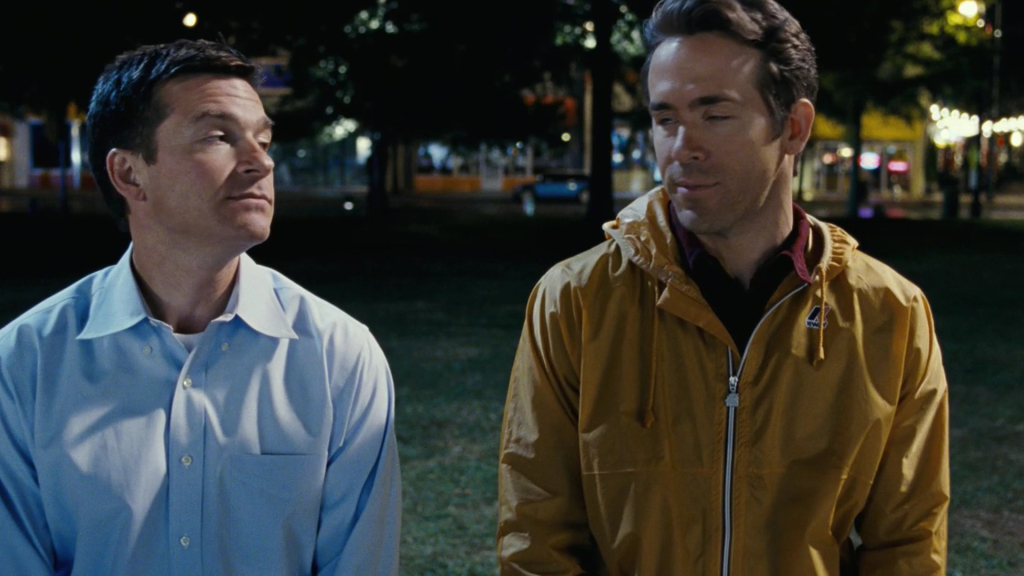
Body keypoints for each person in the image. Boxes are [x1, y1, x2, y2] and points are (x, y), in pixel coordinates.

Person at [496, 1, 949, 574]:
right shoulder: (574, 301)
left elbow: (908, 547)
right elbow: (536, 538)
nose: (682, 147)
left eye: (715, 115)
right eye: (666, 119)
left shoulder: (889, 313)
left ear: (793, 128)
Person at [0, 40, 401, 575]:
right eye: (218, 137)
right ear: (129, 173)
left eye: (263, 140)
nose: (260, 162)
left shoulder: (338, 357)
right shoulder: (24, 365)